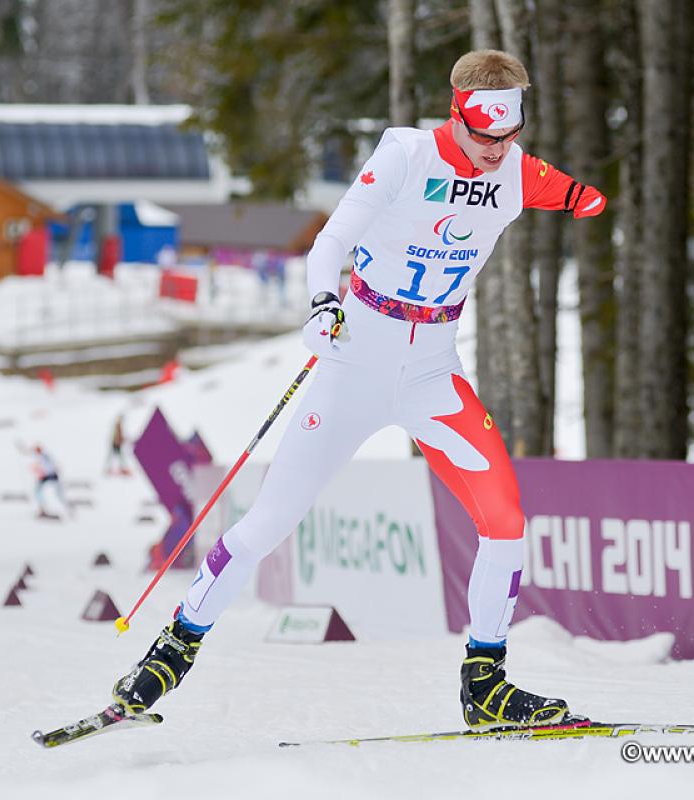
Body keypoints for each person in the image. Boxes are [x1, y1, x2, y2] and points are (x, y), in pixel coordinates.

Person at [111, 50, 606, 731]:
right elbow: (331, 239)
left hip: (434, 371)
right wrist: (321, 305)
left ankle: (485, 686)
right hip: (356, 363)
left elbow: (575, 192)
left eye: (510, 134)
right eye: (485, 135)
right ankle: (172, 650)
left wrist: (591, 198)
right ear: (457, 113)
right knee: (268, 523)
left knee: (506, 521)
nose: (497, 151)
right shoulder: (404, 156)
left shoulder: (518, 173)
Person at [31, 444, 70, 519]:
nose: (35, 452)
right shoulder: (42, 456)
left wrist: (40, 471)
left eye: (36, 450)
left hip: (49, 475)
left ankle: (67, 508)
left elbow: (49, 466)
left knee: (57, 493)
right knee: (38, 491)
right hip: (49, 476)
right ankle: (43, 509)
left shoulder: (44, 457)